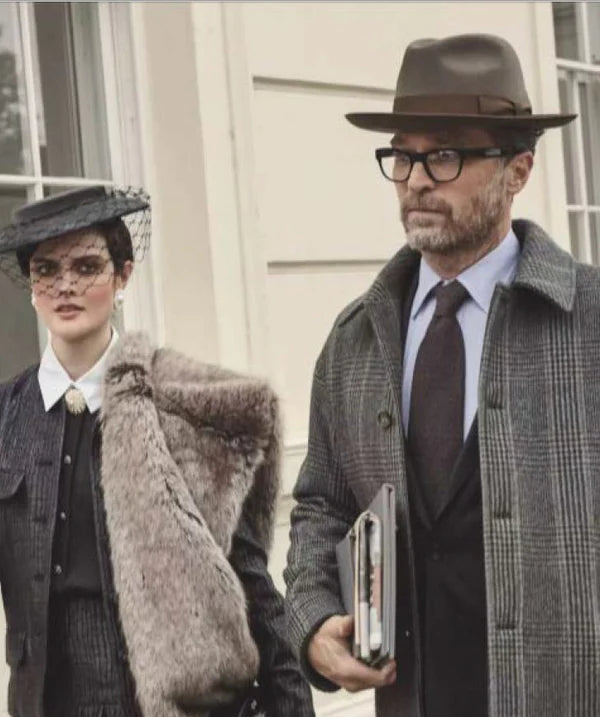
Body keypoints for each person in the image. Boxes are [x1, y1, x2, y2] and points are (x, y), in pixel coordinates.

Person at [284, 33, 600, 717]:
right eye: (403, 155)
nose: (417, 179)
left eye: (446, 154)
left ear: (518, 170)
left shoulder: (590, 324)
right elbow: (321, 507)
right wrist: (314, 621)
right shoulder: (355, 341)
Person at [0, 185, 314, 717]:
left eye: (87, 267)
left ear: (123, 276)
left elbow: (250, 582)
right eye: (47, 270)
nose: (65, 285)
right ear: (32, 286)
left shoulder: (183, 411)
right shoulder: (7, 418)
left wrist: (292, 704)